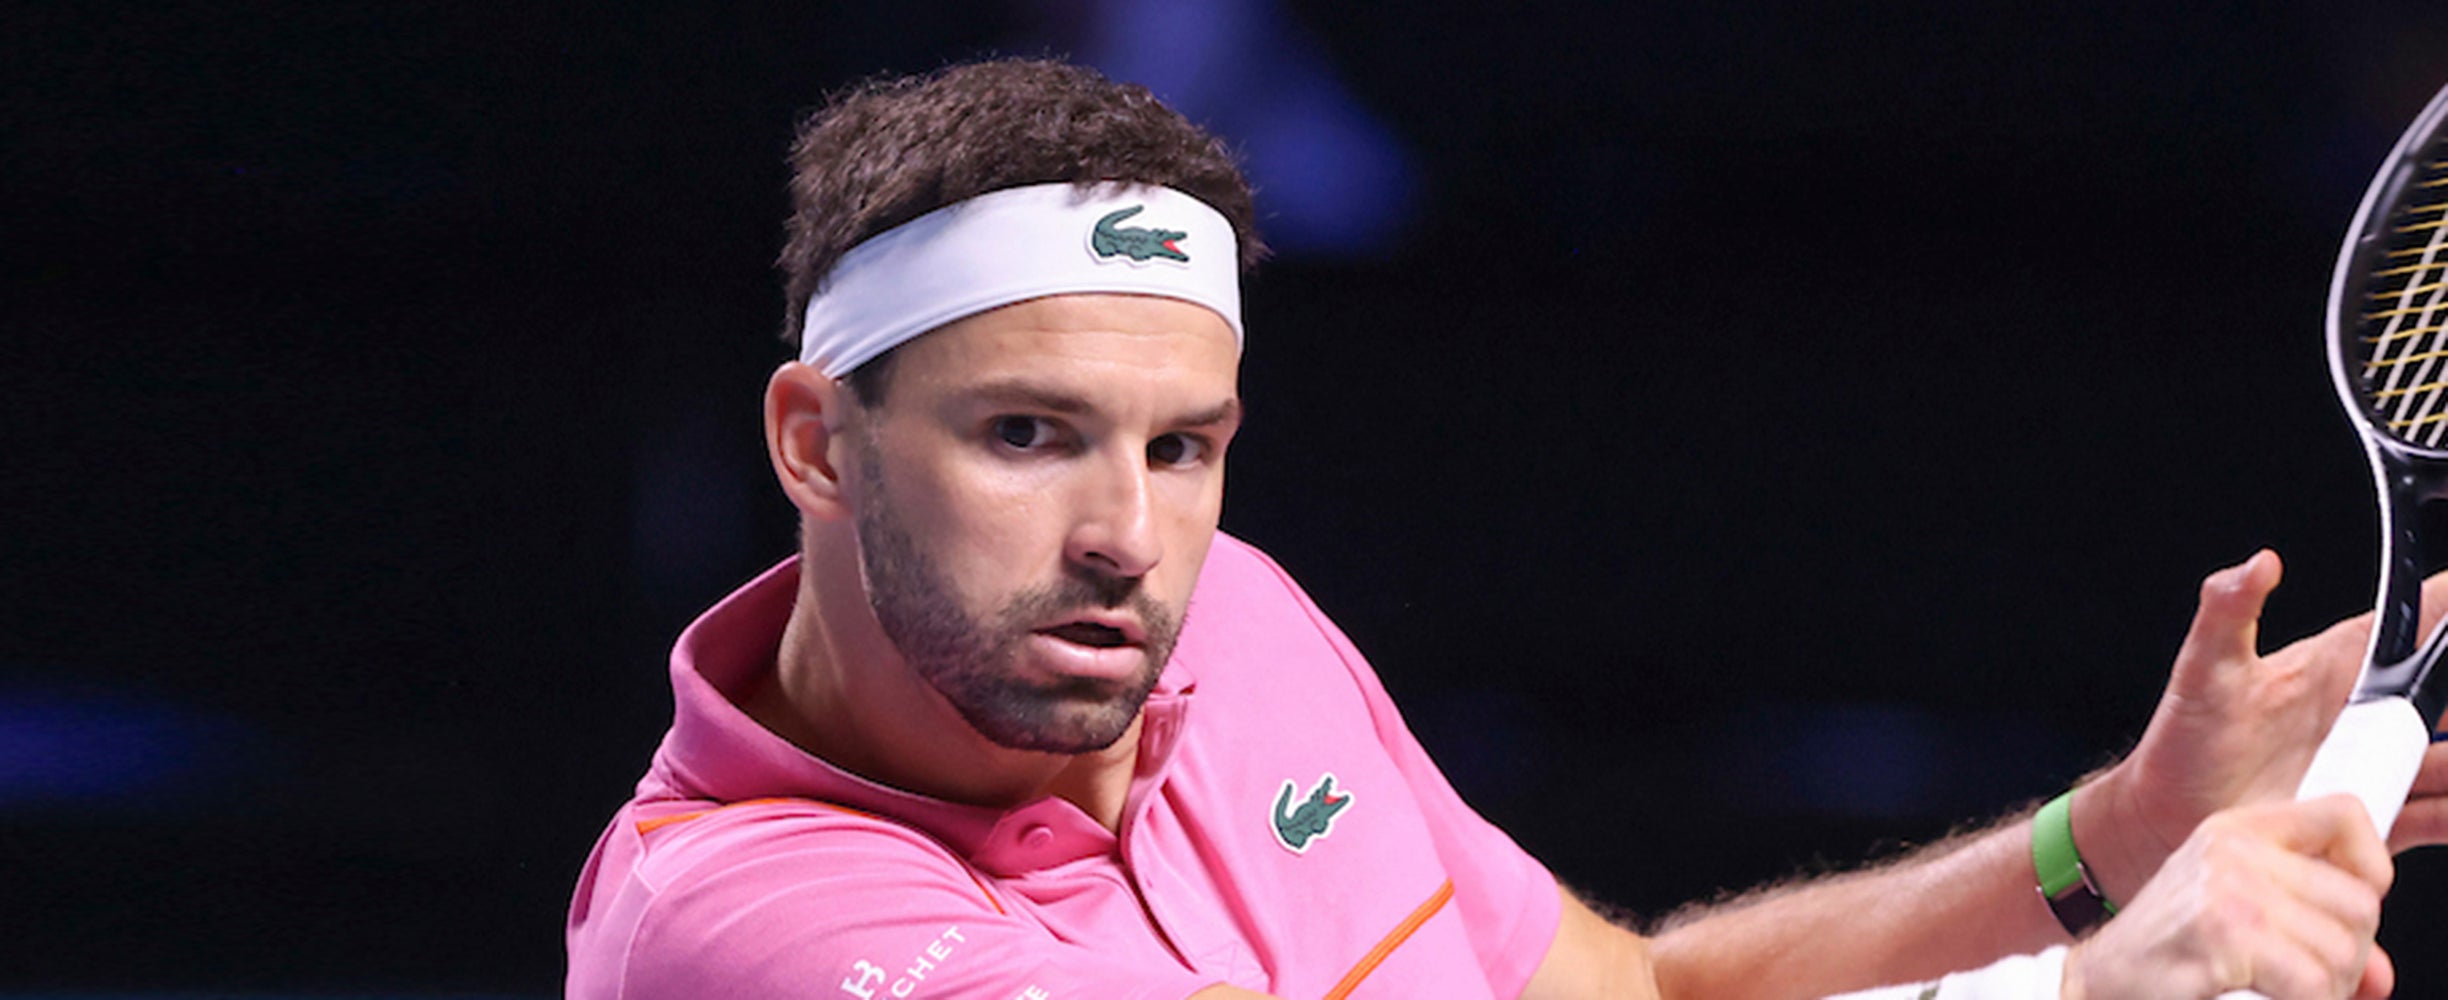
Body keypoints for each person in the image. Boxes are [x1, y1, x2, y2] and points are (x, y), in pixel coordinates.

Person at [565, 58, 2448, 999]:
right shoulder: (743, 924)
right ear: (817, 442)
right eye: (1028, 436)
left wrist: (2107, 841)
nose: (1128, 535)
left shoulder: (1233, 623)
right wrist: (2084, 992)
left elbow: (1628, 994)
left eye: (1185, 447)